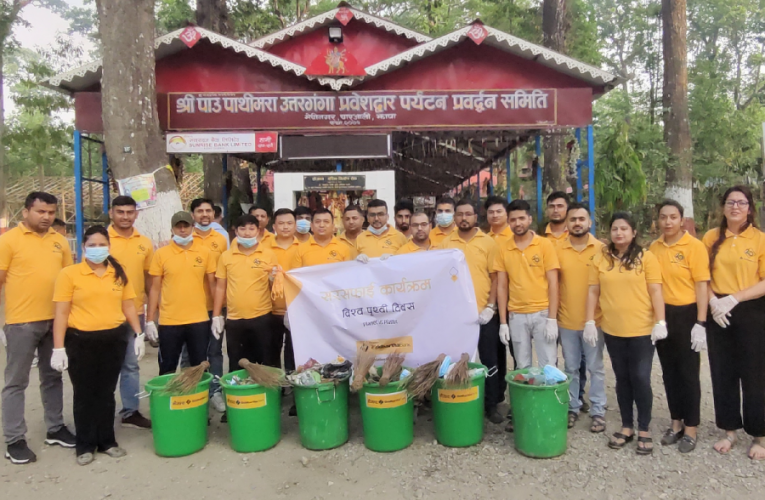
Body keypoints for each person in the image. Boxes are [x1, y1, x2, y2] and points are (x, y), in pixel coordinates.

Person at [51, 225, 145, 466]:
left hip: (113, 339)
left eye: (102, 244)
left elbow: (128, 306)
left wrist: (138, 333)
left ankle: (107, 441)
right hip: (80, 341)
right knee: (84, 393)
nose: (97, 249)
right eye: (92, 245)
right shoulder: (69, 274)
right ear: (83, 247)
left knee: (106, 392)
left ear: (109, 247)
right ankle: (85, 444)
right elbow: (61, 313)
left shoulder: (118, 273)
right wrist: (58, 347)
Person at [0, 192, 76, 464]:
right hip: (21, 323)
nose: (46, 217)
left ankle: (55, 428)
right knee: (16, 382)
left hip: (55, 322)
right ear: (26, 212)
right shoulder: (8, 241)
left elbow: (69, 281)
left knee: (52, 376)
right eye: (40, 211)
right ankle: (14, 439)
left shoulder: (59, 242)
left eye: (51, 212)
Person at [586, 212, 666, 454]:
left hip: (641, 330)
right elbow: (592, 291)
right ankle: (627, 426)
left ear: (633, 232)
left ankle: (644, 428)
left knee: (640, 377)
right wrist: (589, 321)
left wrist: (660, 321)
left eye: (624, 229)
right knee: (622, 379)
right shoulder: (601, 257)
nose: (619, 233)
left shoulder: (647, 257)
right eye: (614, 229)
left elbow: (655, 291)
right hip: (613, 329)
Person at [702, 186, 765, 460]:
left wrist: (734, 299)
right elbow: (700, 277)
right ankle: (729, 429)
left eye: (741, 203)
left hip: (751, 310)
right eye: (730, 202)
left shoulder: (760, 239)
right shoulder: (711, 237)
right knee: (723, 372)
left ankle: (760, 434)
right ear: (723, 207)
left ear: (749, 208)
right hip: (719, 312)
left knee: (755, 374)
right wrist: (714, 301)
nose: (735, 207)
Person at [648, 200, 709, 453]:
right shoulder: (653, 247)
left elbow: (701, 285)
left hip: (688, 313)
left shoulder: (694, 247)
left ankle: (691, 427)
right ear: (658, 220)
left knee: (688, 373)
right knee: (669, 372)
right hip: (663, 315)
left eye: (673, 217)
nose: (668, 222)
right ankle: (676, 423)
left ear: (681, 220)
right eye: (663, 217)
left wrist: (701, 322)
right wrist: (657, 320)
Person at [438, 200, 503, 423]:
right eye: (459, 214)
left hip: (484, 313)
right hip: (456, 316)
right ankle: (461, 399)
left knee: (489, 360)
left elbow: (496, 278)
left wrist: (490, 306)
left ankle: (491, 404)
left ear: (476, 217)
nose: (463, 218)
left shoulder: (488, 242)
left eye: (468, 214)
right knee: (458, 359)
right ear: (455, 218)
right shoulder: (446, 243)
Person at [555, 203, 607, 433]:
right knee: (571, 368)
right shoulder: (557, 249)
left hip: (594, 322)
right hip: (567, 320)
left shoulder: (603, 249)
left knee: (596, 368)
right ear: (566, 223)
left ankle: (598, 411)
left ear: (590, 222)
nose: (577, 223)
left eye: (581, 219)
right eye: (573, 219)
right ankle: (572, 407)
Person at [146, 212, 216, 375]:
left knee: (199, 367)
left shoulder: (204, 252)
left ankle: (198, 399)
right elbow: (155, 288)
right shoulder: (161, 254)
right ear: (172, 229)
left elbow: (213, 285)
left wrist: (218, 314)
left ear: (193, 228)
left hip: (198, 319)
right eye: (179, 227)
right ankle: (167, 399)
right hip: (170, 320)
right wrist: (150, 320)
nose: (182, 230)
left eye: (186, 226)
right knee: (167, 366)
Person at [495, 199, 560, 370]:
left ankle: (548, 397)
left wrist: (552, 318)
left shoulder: (544, 245)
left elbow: (553, 283)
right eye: (513, 219)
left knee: (548, 364)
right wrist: (503, 322)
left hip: (542, 313)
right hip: (516, 315)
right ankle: (527, 397)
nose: (518, 223)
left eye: (522, 218)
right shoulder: (503, 249)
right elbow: (501, 287)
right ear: (508, 222)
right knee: (522, 366)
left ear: (529, 219)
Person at [107, 196, 153, 430]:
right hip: (103, 315)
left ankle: (130, 411)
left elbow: (148, 280)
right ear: (111, 213)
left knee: (131, 365)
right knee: (104, 366)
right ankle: (101, 413)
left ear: (136, 214)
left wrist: (152, 315)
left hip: (136, 313)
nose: (125, 216)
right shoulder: (100, 242)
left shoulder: (144, 243)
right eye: (120, 212)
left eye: (129, 212)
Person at [213, 215, 279, 373]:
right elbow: (221, 287)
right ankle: (240, 396)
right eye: (242, 228)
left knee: (264, 362)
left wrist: (274, 278)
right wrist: (217, 316)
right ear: (235, 231)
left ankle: (265, 395)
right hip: (235, 320)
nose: (247, 233)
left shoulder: (268, 254)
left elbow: (275, 286)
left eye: (251, 228)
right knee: (237, 362)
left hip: (262, 317)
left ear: (258, 230)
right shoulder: (226, 256)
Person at [190, 198, 228, 412]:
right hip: (190, 307)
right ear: (193, 215)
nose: (204, 214)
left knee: (214, 351)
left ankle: (215, 391)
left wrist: (220, 309)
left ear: (214, 215)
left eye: (208, 211)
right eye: (199, 211)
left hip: (215, 305)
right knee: (191, 354)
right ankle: (193, 391)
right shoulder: (184, 236)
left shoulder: (222, 239)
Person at [270, 209, 300, 373]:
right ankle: (275, 383)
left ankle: (291, 381)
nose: (285, 227)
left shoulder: (303, 248)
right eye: (281, 223)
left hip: (296, 308)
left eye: (289, 223)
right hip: (271, 308)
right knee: (272, 348)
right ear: (274, 226)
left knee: (293, 349)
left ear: (295, 226)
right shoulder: (264, 249)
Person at [292, 208, 356, 268]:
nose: (321, 225)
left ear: (333, 226)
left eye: (326, 221)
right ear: (311, 226)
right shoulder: (300, 249)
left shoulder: (344, 248)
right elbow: (296, 276)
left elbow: (347, 274)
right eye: (317, 222)